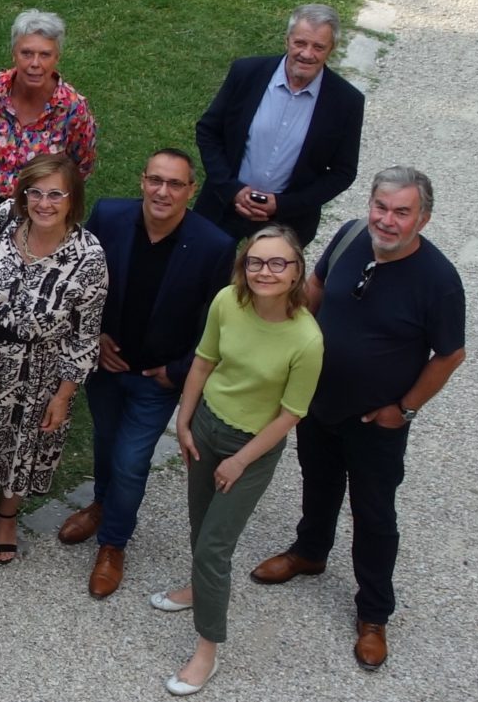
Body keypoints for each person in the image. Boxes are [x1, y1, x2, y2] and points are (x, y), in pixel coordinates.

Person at [249, 166, 466, 672]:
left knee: (374, 514)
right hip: (319, 401)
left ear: (423, 219)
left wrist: (404, 409)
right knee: (317, 481)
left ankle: (373, 613)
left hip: (376, 422)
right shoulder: (349, 237)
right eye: (381, 207)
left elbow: (449, 355)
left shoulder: (439, 281)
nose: (387, 221)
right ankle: (310, 551)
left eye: (401, 212)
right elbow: (317, 287)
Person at [150, 226, 325, 698]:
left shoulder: (307, 340)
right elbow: (204, 363)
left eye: (277, 264)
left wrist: (241, 461)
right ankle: (196, 589)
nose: (264, 272)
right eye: (255, 262)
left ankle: (206, 650)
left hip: (254, 448)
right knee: (198, 523)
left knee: (214, 547)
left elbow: (291, 413)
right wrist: (183, 424)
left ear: (296, 272)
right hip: (207, 427)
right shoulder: (228, 301)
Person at [58, 149, 235, 598]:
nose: (163, 191)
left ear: (191, 191)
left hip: (157, 378)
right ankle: (102, 501)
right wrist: (95, 337)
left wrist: (176, 372)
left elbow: (218, 325)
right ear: (142, 181)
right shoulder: (109, 217)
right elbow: (81, 281)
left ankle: (113, 543)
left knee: (133, 460)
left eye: (175, 184)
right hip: (106, 364)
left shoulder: (214, 245)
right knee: (105, 440)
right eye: (156, 180)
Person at [0, 154, 108, 566]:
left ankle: (6, 516)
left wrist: (64, 395)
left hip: (38, 368)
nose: (43, 203)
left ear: (73, 200)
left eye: (55, 194)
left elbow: (84, 336)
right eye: (35, 192)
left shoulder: (88, 257)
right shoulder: (3, 218)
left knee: (22, 446)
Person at [192, 4, 367, 245]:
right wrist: (232, 190)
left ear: (331, 49)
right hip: (222, 206)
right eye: (300, 43)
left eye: (318, 47)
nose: (307, 54)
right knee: (200, 277)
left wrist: (284, 205)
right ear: (287, 40)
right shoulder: (246, 73)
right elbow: (208, 131)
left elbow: (343, 172)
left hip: (287, 222)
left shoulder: (347, 102)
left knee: (269, 281)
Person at [0, 9, 98, 240]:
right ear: (14, 54)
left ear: (57, 57)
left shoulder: (73, 109)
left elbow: (81, 165)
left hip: (35, 211)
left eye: (45, 54)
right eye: (27, 53)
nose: (35, 64)